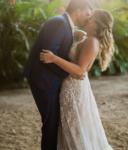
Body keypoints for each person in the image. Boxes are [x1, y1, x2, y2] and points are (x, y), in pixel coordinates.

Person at [22, 0, 93, 149]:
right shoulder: (60, 23)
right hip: (44, 82)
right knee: (51, 127)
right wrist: (69, 73)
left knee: (52, 125)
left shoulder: (64, 24)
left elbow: (60, 43)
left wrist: (74, 33)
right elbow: (47, 56)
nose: (88, 17)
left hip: (48, 81)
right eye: (87, 14)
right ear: (78, 11)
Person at [40, 9, 115, 150]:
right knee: (70, 129)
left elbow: (80, 69)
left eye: (91, 18)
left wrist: (53, 58)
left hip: (74, 91)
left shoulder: (92, 42)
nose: (88, 18)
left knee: (76, 130)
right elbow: (68, 31)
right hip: (69, 87)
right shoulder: (87, 38)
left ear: (97, 25)